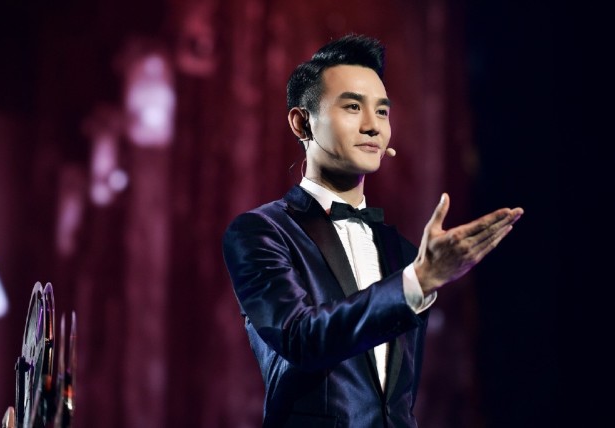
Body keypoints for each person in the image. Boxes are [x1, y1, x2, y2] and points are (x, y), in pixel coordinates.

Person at [222, 34, 523, 428]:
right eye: (352, 107)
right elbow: (300, 338)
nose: (372, 126)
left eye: (382, 112)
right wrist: (417, 282)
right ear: (302, 122)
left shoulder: (403, 252)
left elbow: (398, 399)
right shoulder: (262, 232)